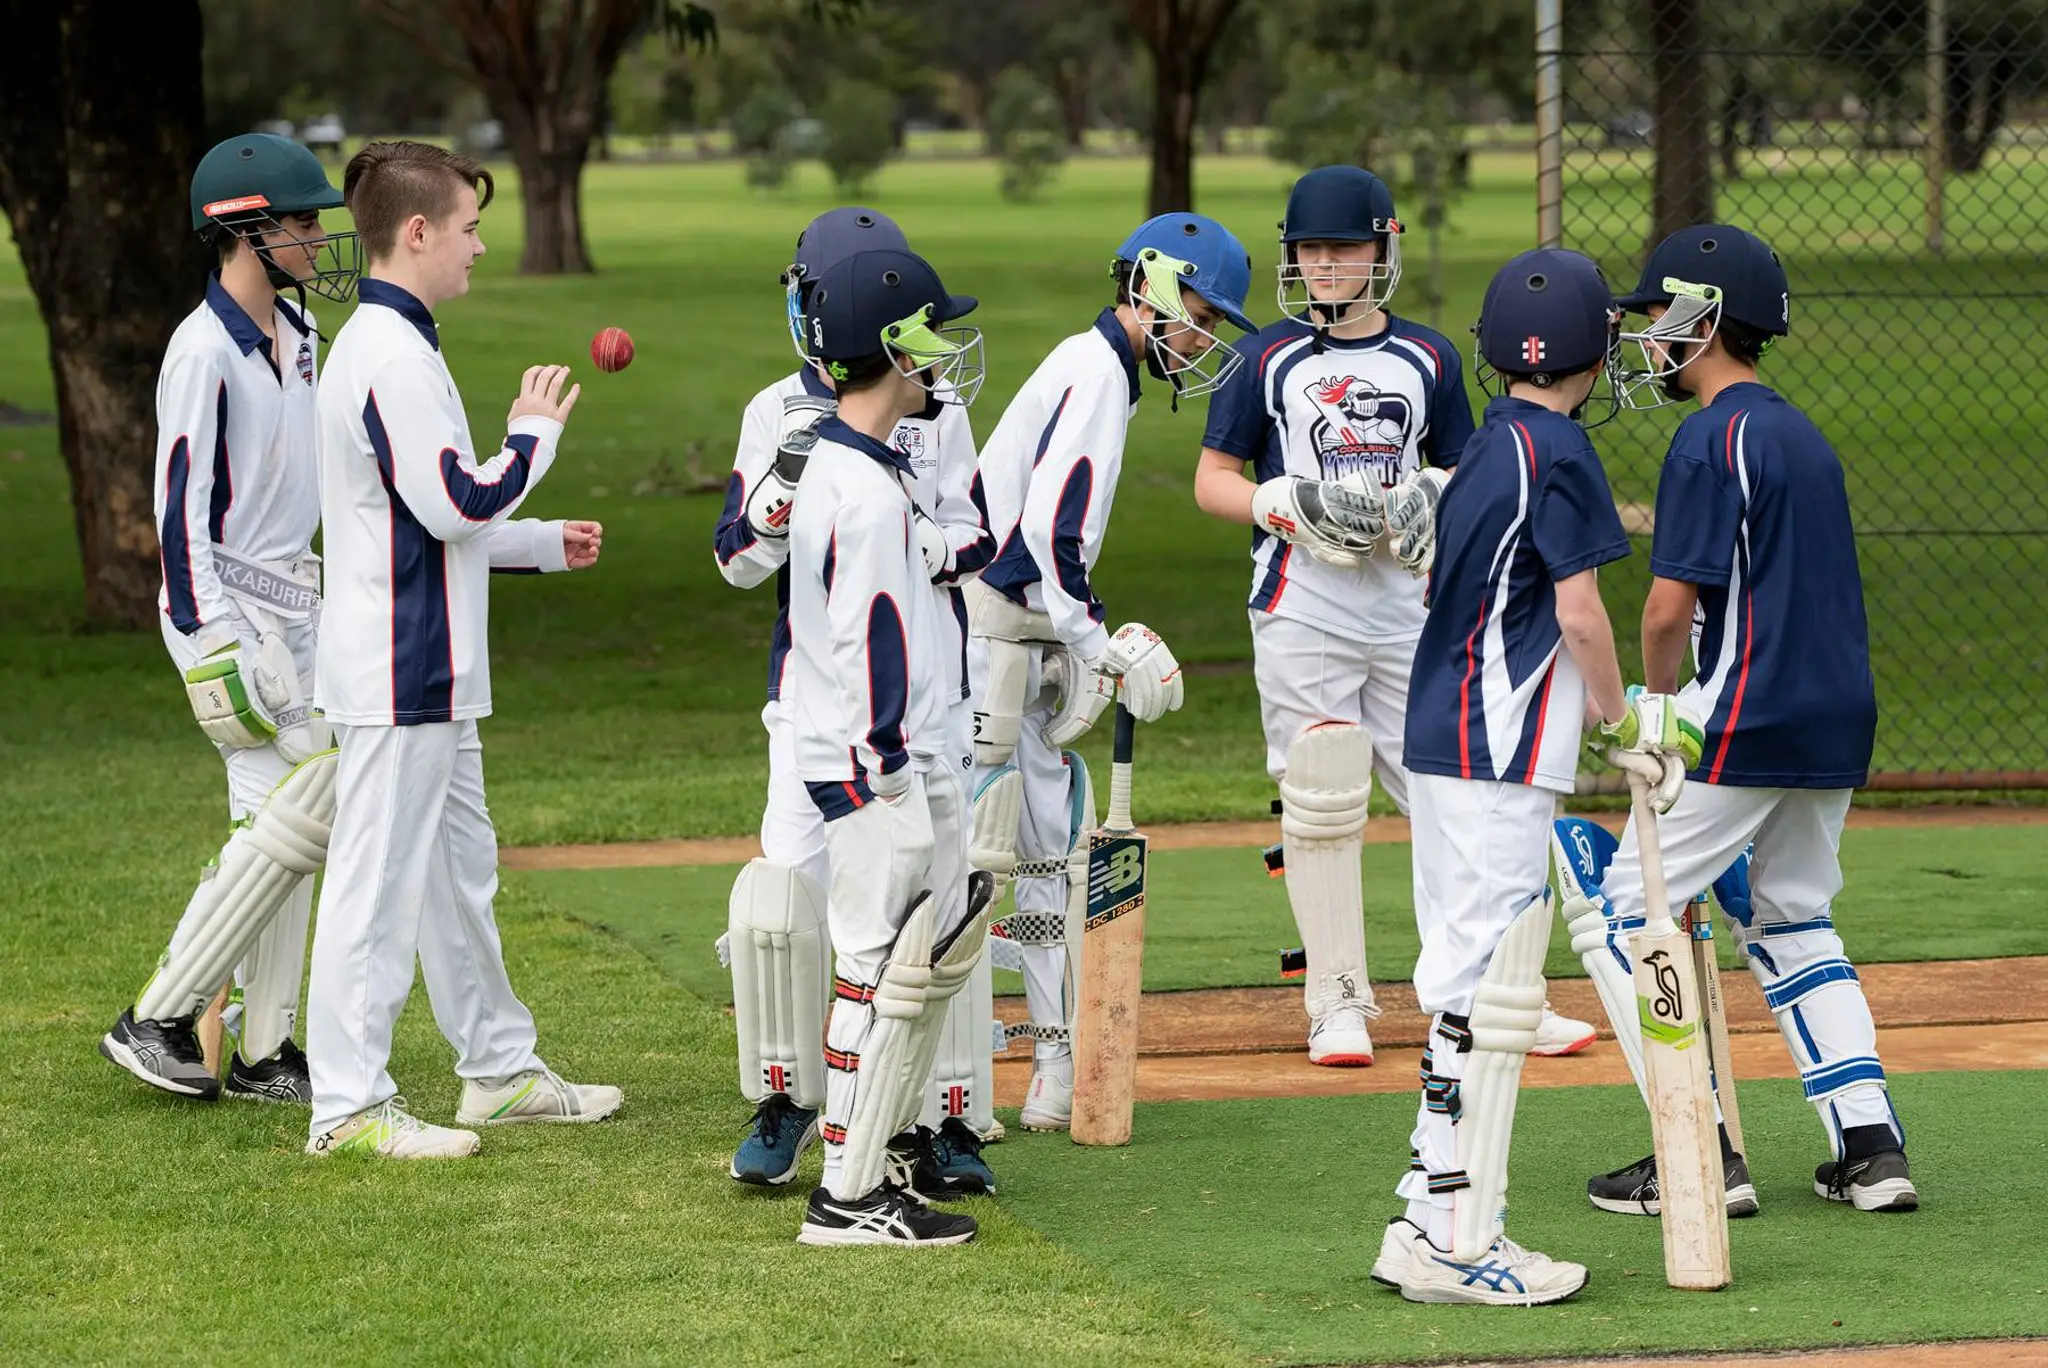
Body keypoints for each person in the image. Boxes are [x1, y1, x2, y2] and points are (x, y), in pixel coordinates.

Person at [1192, 165, 1594, 1068]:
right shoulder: (1264, 359)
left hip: (1410, 605)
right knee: (1323, 791)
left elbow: (1466, 464)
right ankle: (1335, 998)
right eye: (1311, 250)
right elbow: (1212, 481)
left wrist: (1433, 494)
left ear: (1383, 249)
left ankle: (1496, 988)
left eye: (1345, 248)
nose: (1327, 265)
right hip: (1303, 603)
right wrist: (1285, 503)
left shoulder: (1429, 357)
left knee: (1448, 793)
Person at [1564, 224, 1917, 1217]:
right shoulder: (1800, 433)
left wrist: (1653, 712)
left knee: (1629, 914)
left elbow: (1668, 606)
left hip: (1740, 715)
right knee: (1792, 916)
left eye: (1657, 318)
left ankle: (1699, 1154)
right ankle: (1869, 1149)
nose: (1644, 338)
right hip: (1835, 719)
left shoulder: (1705, 437)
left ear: (1704, 320)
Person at [1372, 248, 1693, 1304]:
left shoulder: (1488, 443)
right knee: (1491, 990)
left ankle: (1426, 1218)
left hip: (1448, 739)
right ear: (1593, 355)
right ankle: (1461, 1244)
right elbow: (1576, 611)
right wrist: (1625, 725)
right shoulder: (1555, 449)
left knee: (1461, 982)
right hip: (1498, 747)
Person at [304, 140, 616, 1159]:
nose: (483, 247)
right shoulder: (389, 354)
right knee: (377, 887)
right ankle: (347, 1108)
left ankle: (497, 1070)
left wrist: (538, 544)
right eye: (472, 228)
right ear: (419, 231)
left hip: (428, 663)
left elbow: (422, 516)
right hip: (402, 667)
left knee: (454, 878)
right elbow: (450, 503)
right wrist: (533, 437)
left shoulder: (398, 342)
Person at [714, 207, 997, 1196]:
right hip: (826, 714)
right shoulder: (777, 416)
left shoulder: (934, 411)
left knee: (933, 917)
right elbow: (736, 561)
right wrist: (778, 503)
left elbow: (981, 538)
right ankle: (797, 1100)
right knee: (792, 913)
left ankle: (931, 1118)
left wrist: (926, 546)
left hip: (920, 704)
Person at [967, 212, 1252, 1132]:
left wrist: (1077, 643)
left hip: (1022, 631)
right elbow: (1050, 534)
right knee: (978, 850)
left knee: (1048, 848)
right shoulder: (1095, 373)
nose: (1204, 339)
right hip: (989, 636)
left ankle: (1050, 1066)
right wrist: (1097, 647)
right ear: (1156, 290)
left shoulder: (1101, 370)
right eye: (1201, 316)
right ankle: (950, 1078)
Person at [101, 132, 360, 1105]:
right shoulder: (201, 351)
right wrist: (209, 644)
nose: (317, 236)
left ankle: (262, 1053)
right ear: (245, 232)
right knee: (288, 810)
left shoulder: (299, 336)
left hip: (298, 607)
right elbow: (178, 513)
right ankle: (162, 1016)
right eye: (302, 222)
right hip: (226, 611)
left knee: (303, 818)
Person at [785, 246, 992, 1246]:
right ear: (894, 350)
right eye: (931, 338)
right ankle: (847, 1192)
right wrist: (888, 763)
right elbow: (868, 631)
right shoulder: (864, 491)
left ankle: (865, 1168)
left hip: (861, 753)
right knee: (875, 968)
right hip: (872, 760)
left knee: (890, 962)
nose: (943, 356)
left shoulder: (843, 459)